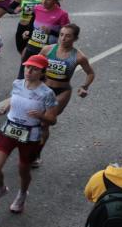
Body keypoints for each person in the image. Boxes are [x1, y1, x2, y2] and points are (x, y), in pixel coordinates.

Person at [0, 54, 62, 214]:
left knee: (23, 170)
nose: (29, 71)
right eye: (28, 67)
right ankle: (1, 189)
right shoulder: (17, 84)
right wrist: (3, 109)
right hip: (9, 129)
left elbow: (53, 119)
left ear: (42, 72)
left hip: (30, 135)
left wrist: (41, 116)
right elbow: (14, 100)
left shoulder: (47, 93)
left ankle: (22, 194)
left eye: (34, 69)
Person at [37, 22, 95, 159]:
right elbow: (35, 65)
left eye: (68, 36)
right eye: (61, 35)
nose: (63, 38)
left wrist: (84, 87)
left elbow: (90, 73)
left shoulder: (79, 57)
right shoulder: (47, 50)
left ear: (75, 39)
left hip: (61, 92)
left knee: (44, 123)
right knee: (33, 120)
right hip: (43, 89)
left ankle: (37, 154)